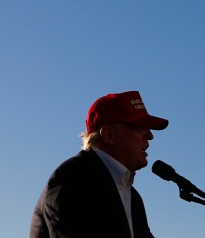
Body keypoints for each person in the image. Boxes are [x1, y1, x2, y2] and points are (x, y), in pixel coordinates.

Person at [29, 90, 169, 238]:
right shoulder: (72, 179)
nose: (150, 136)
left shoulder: (133, 197)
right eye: (139, 127)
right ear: (109, 135)